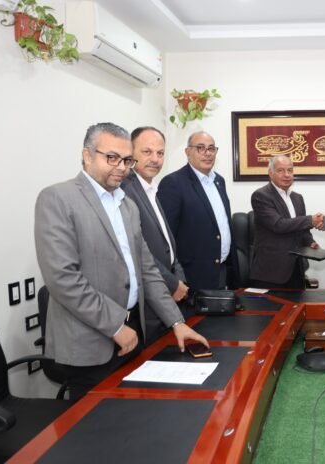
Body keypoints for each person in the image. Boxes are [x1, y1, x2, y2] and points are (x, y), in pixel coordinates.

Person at [34, 122, 208, 401]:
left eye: (127, 160)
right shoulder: (58, 198)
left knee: (135, 417)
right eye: (111, 158)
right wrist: (115, 326)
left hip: (134, 332)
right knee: (97, 424)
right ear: (87, 155)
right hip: (90, 342)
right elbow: (63, 278)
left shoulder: (127, 204)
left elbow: (147, 270)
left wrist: (176, 322)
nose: (121, 167)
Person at [121, 126, 191, 344]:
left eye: (160, 153)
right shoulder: (125, 190)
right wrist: (172, 283)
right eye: (147, 152)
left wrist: (179, 279)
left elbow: (168, 244)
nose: (155, 159)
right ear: (131, 153)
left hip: (166, 294)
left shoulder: (151, 188)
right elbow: (139, 250)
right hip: (149, 298)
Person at [158, 131, 238, 291]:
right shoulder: (173, 183)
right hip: (192, 277)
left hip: (223, 271)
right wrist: (175, 280)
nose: (207, 153)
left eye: (211, 148)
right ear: (188, 152)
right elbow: (166, 237)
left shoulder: (219, 181)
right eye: (200, 148)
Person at [250, 155, 323, 289]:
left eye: (290, 170)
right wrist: (310, 220)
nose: (287, 175)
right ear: (271, 173)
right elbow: (278, 225)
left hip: (296, 269)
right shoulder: (261, 196)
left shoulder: (298, 198)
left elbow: (302, 230)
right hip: (271, 272)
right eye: (281, 170)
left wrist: (310, 242)